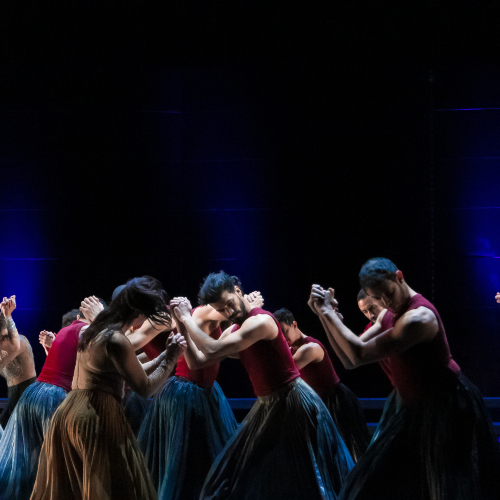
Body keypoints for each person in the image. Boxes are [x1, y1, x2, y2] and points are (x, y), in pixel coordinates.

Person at [310, 257, 500, 500]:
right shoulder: (388, 313)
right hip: (412, 408)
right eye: (378, 298)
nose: (385, 301)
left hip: (444, 409)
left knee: (444, 487)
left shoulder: (419, 318)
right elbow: (349, 360)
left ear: (399, 277)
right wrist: (324, 314)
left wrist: (327, 312)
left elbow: (357, 354)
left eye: (387, 293)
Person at [170, 271, 353, 500]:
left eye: (229, 304)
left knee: (304, 479)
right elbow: (198, 360)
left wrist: (187, 317)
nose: (228, 312)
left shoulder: (261, 321)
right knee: (228, 478)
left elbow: (212, 349)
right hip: (268, 405)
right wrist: (180, 324)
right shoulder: (237, 329)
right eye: (221, 310)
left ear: (238, 291)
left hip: (290, 402)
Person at [30, 277, 185, 500]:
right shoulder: (116, 340)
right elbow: (145, 388)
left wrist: (163, 355)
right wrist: (170, 360)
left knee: (73, 489)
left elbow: (129, 369)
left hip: (70, 412)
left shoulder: (91, 332)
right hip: (96, 416)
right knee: (114, 486)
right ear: (137, 314)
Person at [0, 299, 99, 500]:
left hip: (30, 396)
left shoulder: (23, 341)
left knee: (32, 456)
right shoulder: (85, 332)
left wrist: (7, 317)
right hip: (40, 398)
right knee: (38, 458)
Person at [274, 307, 369, 462]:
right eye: (279, 334)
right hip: (318, 403)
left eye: (284, 331)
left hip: (335, 403)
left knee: (346, 454)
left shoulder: (310, 348)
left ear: (294, 324)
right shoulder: (292, 348)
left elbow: (283, 373)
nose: (283, 337)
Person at [0, 296, 37, 428]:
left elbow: (14, 346)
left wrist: (7, 315)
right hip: (14, 394)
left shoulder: (19, 342)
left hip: (26, 394)